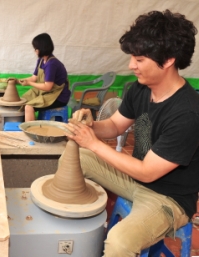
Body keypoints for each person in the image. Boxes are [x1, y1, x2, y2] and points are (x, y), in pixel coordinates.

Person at [66, 10, 199, 257]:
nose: (131, 66)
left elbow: (148, 173)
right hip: (134, 179)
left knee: (120, 242)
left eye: (139, 60)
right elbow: (115, 126)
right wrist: (91, 126)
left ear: (168, 60)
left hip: (168, 198)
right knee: (76, 155)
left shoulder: (188, 114)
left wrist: (93, 143)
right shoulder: (141, 88)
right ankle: (74, 227)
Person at [19, 33, 71, 121]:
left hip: (58, 97)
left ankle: (30, 131)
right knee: (22, 100)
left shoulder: (52, 64)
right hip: (45, 92)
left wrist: (29, 83)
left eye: (36, 48)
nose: (34, 50)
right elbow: (34, 78)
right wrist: (18, 81)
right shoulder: (41, 60)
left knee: (29, 107)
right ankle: (22, 125)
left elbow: (47, 87)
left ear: (41, 48)